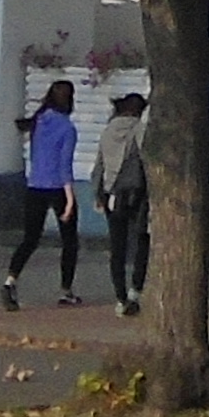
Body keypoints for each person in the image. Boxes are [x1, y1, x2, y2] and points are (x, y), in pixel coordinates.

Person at [5, 75, 81, 308]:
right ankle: (65, 290)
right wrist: (69, 199)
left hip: (34, 185)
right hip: (57, 188)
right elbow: (64, 164)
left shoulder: (38, 122)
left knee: (30, 238)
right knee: (70, 242)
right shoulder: (67, 127)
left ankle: (10, 280)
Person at [89, 89, 151, 317]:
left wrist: (98, 195)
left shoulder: (107, 131)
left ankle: (120, 297)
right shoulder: (140, 130)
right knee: (142, 239)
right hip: (137, 194)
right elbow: (149, 161)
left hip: (112, 195)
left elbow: (98, 166)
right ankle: (136, 291)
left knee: (117, 247)